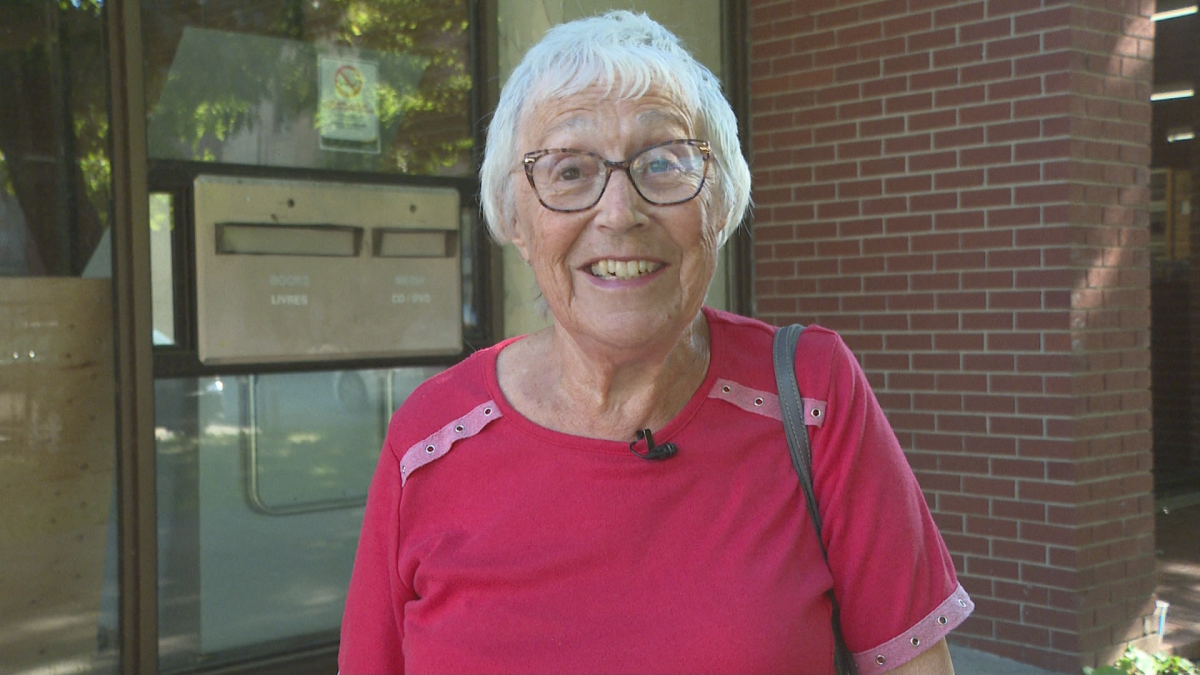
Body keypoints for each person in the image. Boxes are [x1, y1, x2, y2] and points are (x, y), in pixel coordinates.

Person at [339, 10, 972, 675]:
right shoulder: (430, 440)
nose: (619, 211)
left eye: (665, 161)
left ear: (721, 206)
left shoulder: (811, 395)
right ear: (515, 219)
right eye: (570, 170)